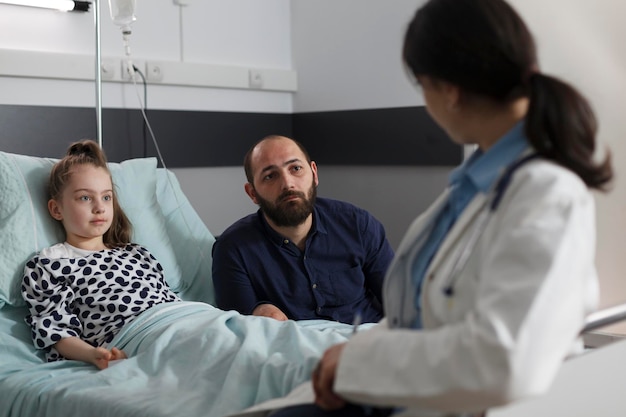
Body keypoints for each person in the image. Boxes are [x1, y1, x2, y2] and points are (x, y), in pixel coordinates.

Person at [271, 0, 613, 416]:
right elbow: (416, 319)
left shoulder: (546, 194)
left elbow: (503, 362)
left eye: (422, 87)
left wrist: (361, 362)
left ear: (448, 91)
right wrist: (355, 355)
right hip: (410, 388)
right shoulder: (472, 188)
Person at [21, 140, 181, 370]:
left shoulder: (137, 253)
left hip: (181, 318)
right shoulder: (49, 264)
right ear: (56, 209)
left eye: (106, 197)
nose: (100, 207)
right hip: (133, 337)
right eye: (85, 197)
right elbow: (54, 330)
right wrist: (94, 355)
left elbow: (168, 299)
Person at [211, 135, 394, 324]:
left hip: (367, 341)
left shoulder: (358, 225)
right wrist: (258, 309)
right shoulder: (232, 249)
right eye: (270, 176)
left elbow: (402, 299)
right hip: (295, 348)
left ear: (314, 174)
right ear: (252, 193)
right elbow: (239, 330)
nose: (288, 184)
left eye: (295, 168)